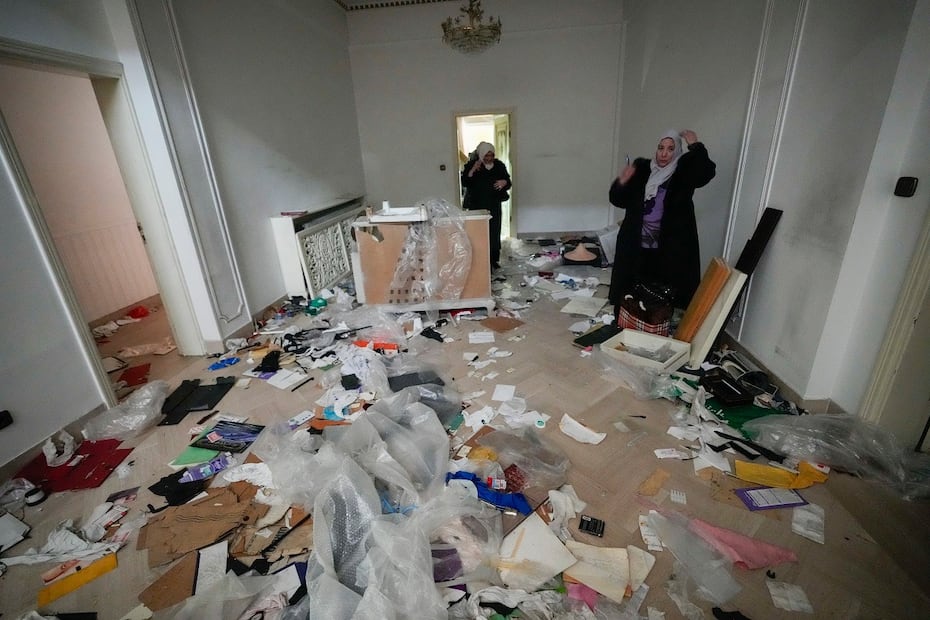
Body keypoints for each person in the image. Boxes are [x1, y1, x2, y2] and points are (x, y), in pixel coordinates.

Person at [608, 129, 716, 318]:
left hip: (669, 245)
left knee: (662, 292)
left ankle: (658, 321)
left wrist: (695, 145)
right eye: (660, 148)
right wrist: (621, 182)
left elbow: (705, 173)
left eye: (670, 149)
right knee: (632, 287)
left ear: (677, 152)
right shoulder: (642, 169)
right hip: (636, 242)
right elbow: (618, 200)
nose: (664, 153)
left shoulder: (683, 171)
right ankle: (630, 318)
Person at [461, 141, 511, 269]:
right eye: (486, 156)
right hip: (476, 205)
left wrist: (504, 182)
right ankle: (480, 260)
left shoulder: (499, 165)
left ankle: (494, 260)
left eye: (491, 155)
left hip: (494, 204)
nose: (489, 158)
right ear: (481, 155)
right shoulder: (473, 165)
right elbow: (465, 182)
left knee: (494, 232)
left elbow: (508, 181)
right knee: (479, 233)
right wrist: (472, 170)